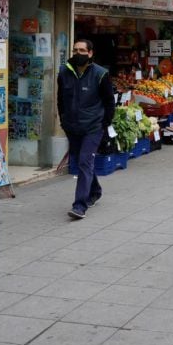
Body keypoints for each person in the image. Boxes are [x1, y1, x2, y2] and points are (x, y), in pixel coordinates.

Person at [58, 39, 117, 220]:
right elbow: (61, 99)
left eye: (82, 50)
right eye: (75, 50)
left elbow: (109, 102)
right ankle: (95, 190)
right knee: (81, 161)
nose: (78, 53)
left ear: (90, 53)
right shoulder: (64, 72)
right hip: (72, 126)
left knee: (84, 161)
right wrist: (63, 120)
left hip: (93, 127)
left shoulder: (100, 74)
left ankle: (79, 206)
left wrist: (104, 124)